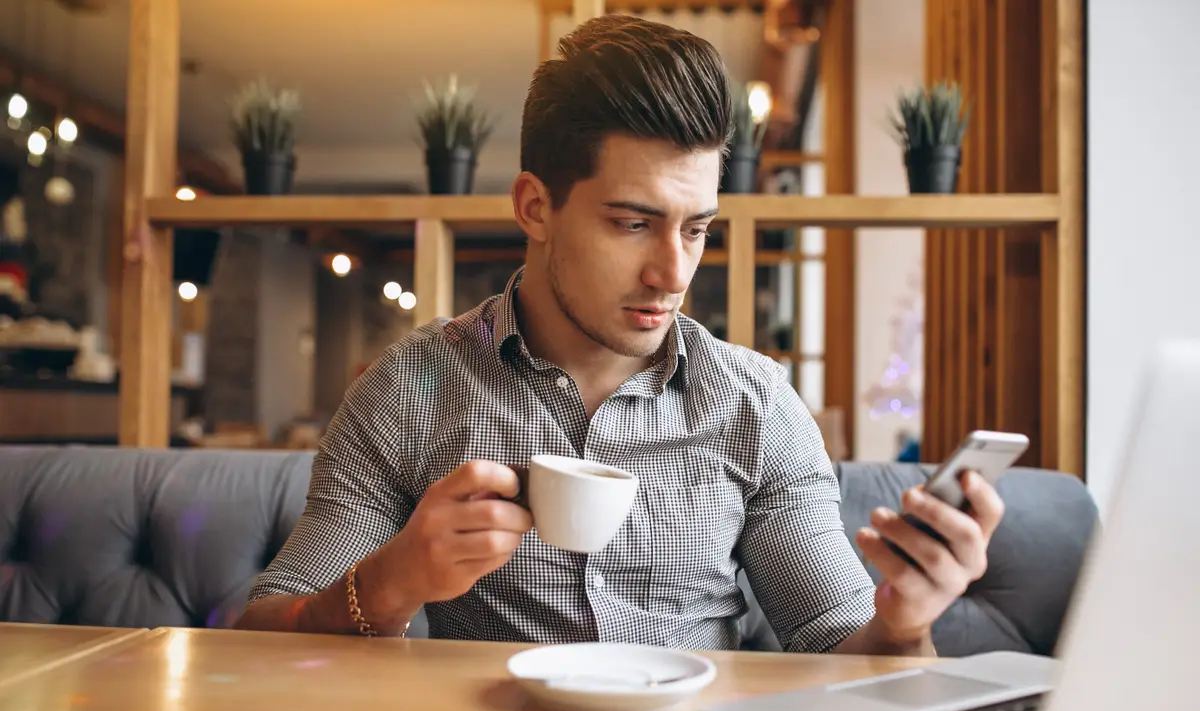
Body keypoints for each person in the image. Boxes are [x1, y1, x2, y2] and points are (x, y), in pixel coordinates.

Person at [236, 15, 1004, 656]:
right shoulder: (410, 390)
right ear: (535, 207)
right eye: (634, 224)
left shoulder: (756, 405)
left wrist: (903, 623)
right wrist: (390, 580)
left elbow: (843, 652)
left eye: (696, 229)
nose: (673, 273)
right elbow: (261, 636)